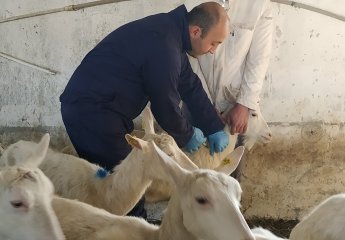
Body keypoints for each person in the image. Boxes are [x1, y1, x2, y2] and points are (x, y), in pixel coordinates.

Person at [59, 2, 230, 218]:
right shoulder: (165, 46)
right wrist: (187, 135)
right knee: (128, 186)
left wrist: (213, 126)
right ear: (195, 31)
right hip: (93, 113)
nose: (213, 51)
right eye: (214, 43)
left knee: (113, 185)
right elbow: (164, 104)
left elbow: (190, 85)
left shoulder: (171, 35)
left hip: (102, 110)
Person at [188, 0, 273, 179]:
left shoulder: (259, 5)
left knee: (228, 180)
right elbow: (189, 54)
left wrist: (244, 103)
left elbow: (259, 58)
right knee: (192, 181)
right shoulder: (195, 4)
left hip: (235, 108)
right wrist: (204, 109)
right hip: (196, 101)